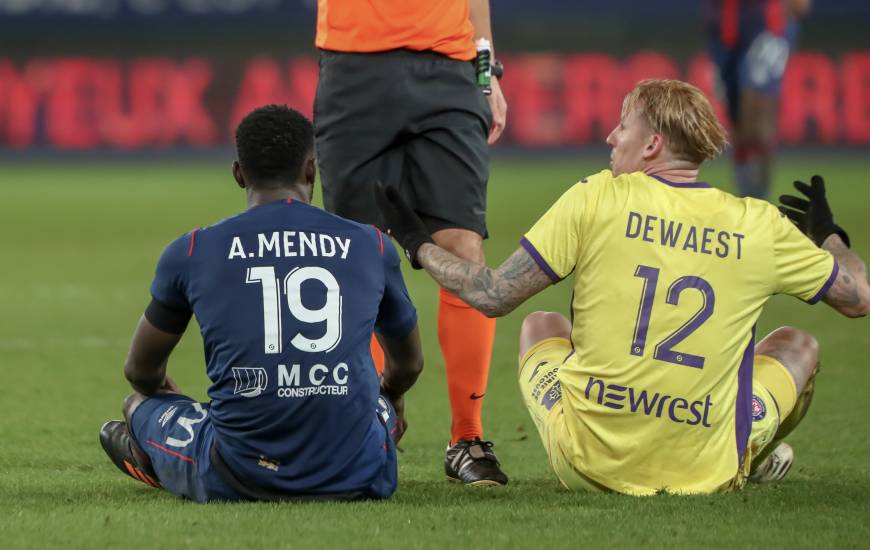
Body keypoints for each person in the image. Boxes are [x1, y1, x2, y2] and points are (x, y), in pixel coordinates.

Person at [376, 79, 870, 495]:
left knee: (542, 324)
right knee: (799, 345)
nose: (611, 137)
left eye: (623, 127)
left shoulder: (597, 198)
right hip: (707, 471)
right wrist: (830, 236)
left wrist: (418, 242)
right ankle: (750, 448)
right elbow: (858, 297)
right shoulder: (758, 223)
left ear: (652, 144)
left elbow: (492, 295)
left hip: (587, 462)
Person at [99, 105, 424, 503]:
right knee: (373, 404)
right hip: (358, 472)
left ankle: (161, 460)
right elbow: (408, 364)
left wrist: (170, 399)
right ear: (311, 170)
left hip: (236, 473)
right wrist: (388, 397)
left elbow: (140, 371)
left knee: (136, 405)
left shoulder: (193, 250)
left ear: (238, 173)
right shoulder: (371, 243)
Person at [313, 0, 509, 485]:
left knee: (464, 246)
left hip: (448, 66)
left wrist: (486, 71)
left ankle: (467, 436)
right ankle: (364, 426)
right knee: (355, 254)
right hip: (352, 63)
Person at [706, 0, 812, 199]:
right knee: (738, 123)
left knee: (757, 117)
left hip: (767, 26)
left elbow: (800, 7)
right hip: (723, 28)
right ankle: (745, 197)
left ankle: (762, 200)